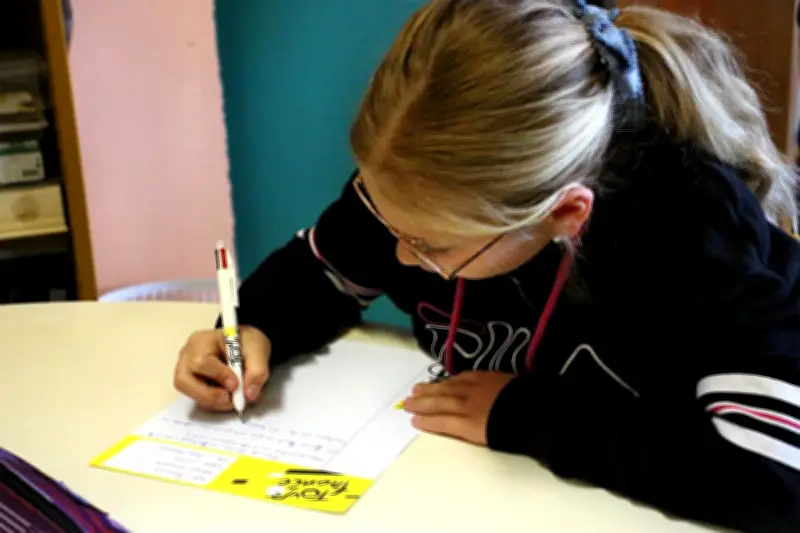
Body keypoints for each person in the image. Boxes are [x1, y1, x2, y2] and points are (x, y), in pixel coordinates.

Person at [174, 1, 800, 530]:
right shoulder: (421, 189)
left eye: (430, 247)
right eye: (390, 222)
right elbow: (326, 270)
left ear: (564, 216)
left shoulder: (689, 231)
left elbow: (776, 472)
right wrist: (254, 327)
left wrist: (525, 416)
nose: (394, 257)